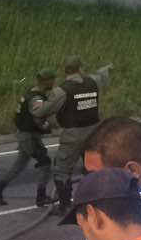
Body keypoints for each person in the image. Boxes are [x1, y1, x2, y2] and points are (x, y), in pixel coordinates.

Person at [36, 56, 112, 211]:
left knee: (61, 170)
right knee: (92, 166)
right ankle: (96, 200)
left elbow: (41, 111)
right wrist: (108, 68)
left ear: (65, 71)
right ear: (80, 69)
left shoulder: (62, 90)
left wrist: (40, 103)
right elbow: (103, 76)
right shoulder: (93, 82)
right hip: (94, 132)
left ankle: (65, 205)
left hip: (73, 134)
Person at [0, 69, 57, 207]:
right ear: (46, 81)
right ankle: (41, 196)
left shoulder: (30, 91)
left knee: (19, 166)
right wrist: (48, 126)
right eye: (52, 79)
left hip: (24, 134)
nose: (54, 82)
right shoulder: (37, 98)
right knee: (45, 163)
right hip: (30, 137)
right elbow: (38, 117)